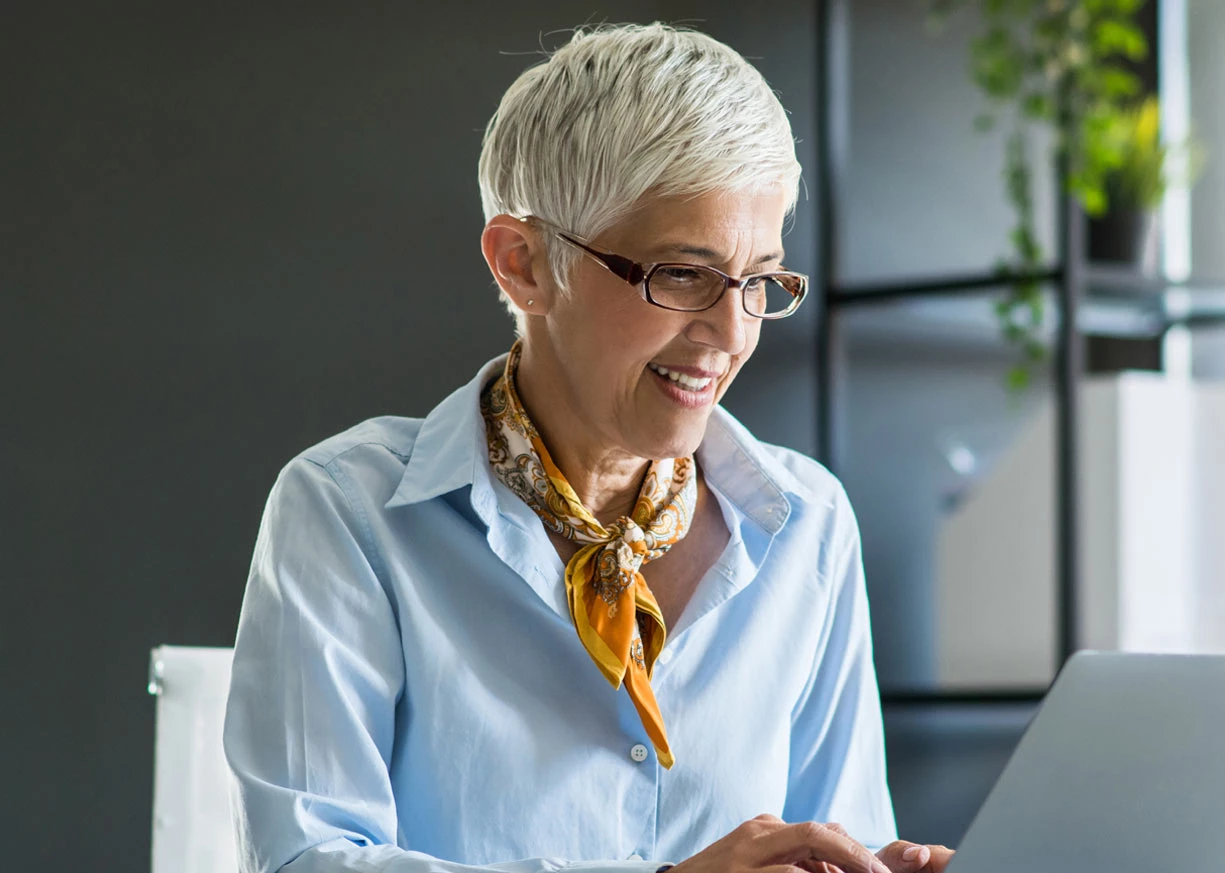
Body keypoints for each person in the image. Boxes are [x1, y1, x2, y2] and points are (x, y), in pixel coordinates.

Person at [223, 22, 954, 873]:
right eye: (681, 274)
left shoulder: (809, 524)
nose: (730, 331)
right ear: (523, 264)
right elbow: (303, 862)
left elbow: (838, 841)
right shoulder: (348, 512)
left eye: (759, 279)